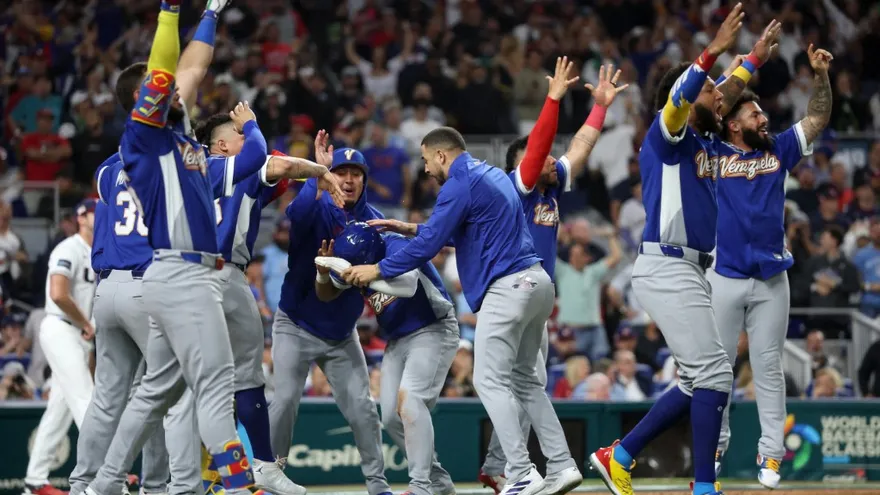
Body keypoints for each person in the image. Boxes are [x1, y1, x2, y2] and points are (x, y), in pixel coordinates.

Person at [588, 6, 772, 495]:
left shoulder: (704, 141)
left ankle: (619, 454)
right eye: (710, 91)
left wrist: (751, 58)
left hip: (689, 269)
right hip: (666, 264)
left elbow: (723, 93)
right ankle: (705, 487)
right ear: (687, 97)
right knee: (715, 373)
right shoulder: (667, 136)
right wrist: (711, 50)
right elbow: (685, 98)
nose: (721, 97)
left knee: (700, 380)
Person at [84, 1, 259, 494]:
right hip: (183, 275)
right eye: (163, 85)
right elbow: (167, 68)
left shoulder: (175, 129)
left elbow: (194, 65)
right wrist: (169, 12)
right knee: (217, 385)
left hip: (172, 274)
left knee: (153, 392)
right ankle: (240, 486)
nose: (178, 86)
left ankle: (101, 485)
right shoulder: (143, 133)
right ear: (147, 96)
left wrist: (209, 13)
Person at [342, 126, 571, 495]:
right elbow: (462, 233)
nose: (427, 168)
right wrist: (411, 226)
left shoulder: (456, 184)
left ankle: (522, 471)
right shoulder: (493, 174)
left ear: (442, 155)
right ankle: (562, 464)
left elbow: (431, 246)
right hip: (539, 282)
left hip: (507, 287)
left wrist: (378, 269)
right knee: (527, 381)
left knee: (488, 381)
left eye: (426, 159)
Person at [480, 57, 628, 495]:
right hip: (514, 290)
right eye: (538, 155)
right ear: (519, 163)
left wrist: (598, 107)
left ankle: (507, 466)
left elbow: (579, 147)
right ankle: (514, 467)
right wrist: (553, 99)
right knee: (521, 383)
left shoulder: (549, 183)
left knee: (526, 384)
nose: (548, 159)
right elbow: (543, 149)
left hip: (534, 298)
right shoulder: (517, 185)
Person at [196, 112, 343, 494]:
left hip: (176, 280)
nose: (247, 141)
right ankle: (259, 465)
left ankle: (184, 478)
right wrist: (318, 171)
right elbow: (281, 162)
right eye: (239, 136)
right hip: (221, 275)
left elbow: (280, 170)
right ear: (223, 145)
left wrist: (312, 172)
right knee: (244, 381)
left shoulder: (181, 169)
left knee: (186, 388)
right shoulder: (236, 167)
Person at [709, 43, 833, 489]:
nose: (763, 119)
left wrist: (820, 77)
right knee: (719, 368)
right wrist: (746, 64)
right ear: (731, 123)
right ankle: (715, 444)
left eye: (762, 113)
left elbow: (817, 119)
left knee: (769, 366)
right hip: (723, 274)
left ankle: (772, 456)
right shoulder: (710, 152)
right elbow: (707, 105)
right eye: (754, 115)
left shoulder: (778, 148)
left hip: (771, 277)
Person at [69, 157, 200, 495]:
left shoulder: (111, 169)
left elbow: (104, 180)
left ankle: (85, 482)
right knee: (174, 393)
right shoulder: (168, 161)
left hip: (108, 287)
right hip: (147, 286)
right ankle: (178, 486)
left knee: (111, 397)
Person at [268, 145, 392, 495]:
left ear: (365, 180)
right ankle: (272, 474)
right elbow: (299, 213)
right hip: (295, 323)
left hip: (341, 334)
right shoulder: (315, 205)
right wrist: (316, 177)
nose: (348, 180)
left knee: (363, 408)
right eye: (341, 172)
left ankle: (377, 484)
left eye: (356, 174)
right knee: (285, 400)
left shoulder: (376, 222)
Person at [315, 222, 458, 495]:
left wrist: (367, 275)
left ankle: (420, 486)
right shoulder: (356, 256)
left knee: (412, 401)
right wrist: (324, 274)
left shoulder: (397, 245)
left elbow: (407, 285)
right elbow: (327, 293)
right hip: (397, 339)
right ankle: (439, 483)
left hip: (433, 327)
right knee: (392, 417)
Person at [24, 200, 97, 495]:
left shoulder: (99, 251)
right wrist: (85, 323)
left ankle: (33, 481)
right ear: (81, 217)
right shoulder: (69, 248)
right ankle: (103, 477)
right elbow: (58, 294)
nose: (101, 216)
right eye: (95, 212)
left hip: (79, 335)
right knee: (87, 401)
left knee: (60, 408)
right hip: (60, 327)